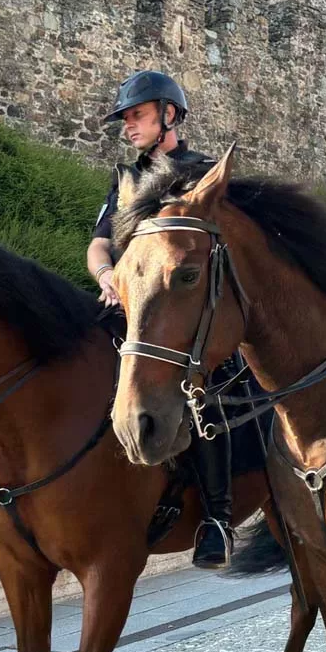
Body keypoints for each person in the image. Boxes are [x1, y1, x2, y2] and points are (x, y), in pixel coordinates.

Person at [88, 71, 232, 569]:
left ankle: (218, 517)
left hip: (180, 307)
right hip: (126, 301)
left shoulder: (202, 172)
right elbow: (100, 243)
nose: (129, 127)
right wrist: (107, 274)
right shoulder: (126, 180)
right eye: (126, 119)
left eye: (137, 116)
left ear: (169, 115)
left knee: (205, 394)